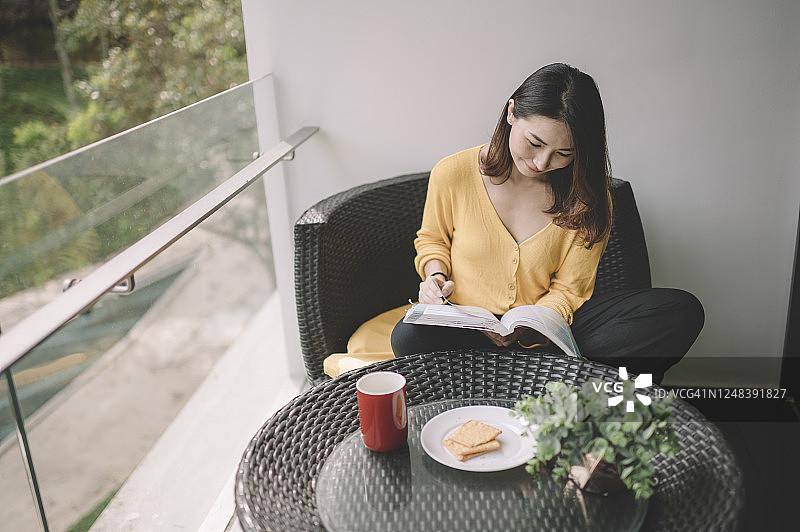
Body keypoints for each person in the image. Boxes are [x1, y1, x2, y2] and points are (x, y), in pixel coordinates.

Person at [389, 63, 704, 384]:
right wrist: (435, 278)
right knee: (408, 336)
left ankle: (518, 371)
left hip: (547, 331)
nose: (541, 163)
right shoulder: (453, 173)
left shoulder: (588, 199)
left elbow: (570, 289)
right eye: (535, 143)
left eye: (563, 153)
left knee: (680, 312)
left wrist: (532, 327)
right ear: (511, 113)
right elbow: (433, 240)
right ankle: (543, 376)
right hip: (466, 328)